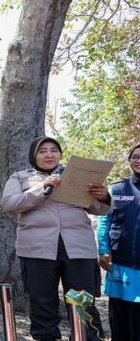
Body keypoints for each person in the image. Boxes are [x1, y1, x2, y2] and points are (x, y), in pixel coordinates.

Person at [2, 136, 109, 341]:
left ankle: (86, 338)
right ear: (34, 155)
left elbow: (99, 209)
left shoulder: (75, 176)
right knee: (42, 302)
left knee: (83, 301)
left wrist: (103, 196)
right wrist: (41, 188)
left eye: (54, 150)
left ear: (60, 154)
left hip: (78, 247)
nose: (49, 154)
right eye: (42, 151)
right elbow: (9, 204)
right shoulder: (20, 177)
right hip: (37, 249)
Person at [98, 143, 140, 341]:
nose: (138, 160)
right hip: (121, 266)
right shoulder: (116, 189)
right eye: (135, 156)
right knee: (120, 318)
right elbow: (104, 221)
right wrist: (103, 250)